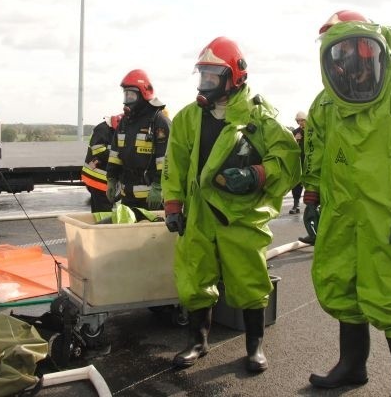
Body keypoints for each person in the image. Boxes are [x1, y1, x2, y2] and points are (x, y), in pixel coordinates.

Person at [301, 10, 391, 396]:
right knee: (343, 287)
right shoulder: (325, 104)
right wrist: (312, 198)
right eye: (335, 49)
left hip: (387, 215)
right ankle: (352, 366)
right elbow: (314, 154)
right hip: (341, 213)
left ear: (368, 48)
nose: (344, 57)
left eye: (350, 46)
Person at [161, 36, 300, 374]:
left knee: (250, 280)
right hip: (198, 215)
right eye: (203, 75)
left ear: (234, 77)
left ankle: (254, 347)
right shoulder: (188, 118)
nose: (205, 83)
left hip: (242, 216)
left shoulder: (258, 118)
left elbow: (289, 160)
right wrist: (173, 205)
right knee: (194, 278)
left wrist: (257, 174)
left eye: (212, 76)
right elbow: (175, 164)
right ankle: (198, 341)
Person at [106, 69, 171, 219]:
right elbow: (115, 154)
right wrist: (111, 178)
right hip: (127, 194)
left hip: (151, 197)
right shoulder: (124, 122)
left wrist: (158, 186)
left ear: (143, 95)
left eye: (131, 95)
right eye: (126, 94)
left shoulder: (158, 121)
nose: (127, 99)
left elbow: (167, 158)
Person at [81, 114, 122, 213]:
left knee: (98, 211)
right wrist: (121, 156)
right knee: (104, 211)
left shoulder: (114, 130)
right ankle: (102, 227)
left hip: (102, 178)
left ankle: (98, 226)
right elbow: (98, 150)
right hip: (99, 178)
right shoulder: (102, 129)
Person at [289, 111, 306, 216]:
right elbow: (289, 147)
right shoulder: (295, 132)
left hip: (310, 161)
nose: (300, 122)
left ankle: (313, 205)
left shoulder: (312, 130)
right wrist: (295, 140)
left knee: (311, 183)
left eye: (302, 120)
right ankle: (296, 205)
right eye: (298, 121)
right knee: (296, 183)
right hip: (298, 161)